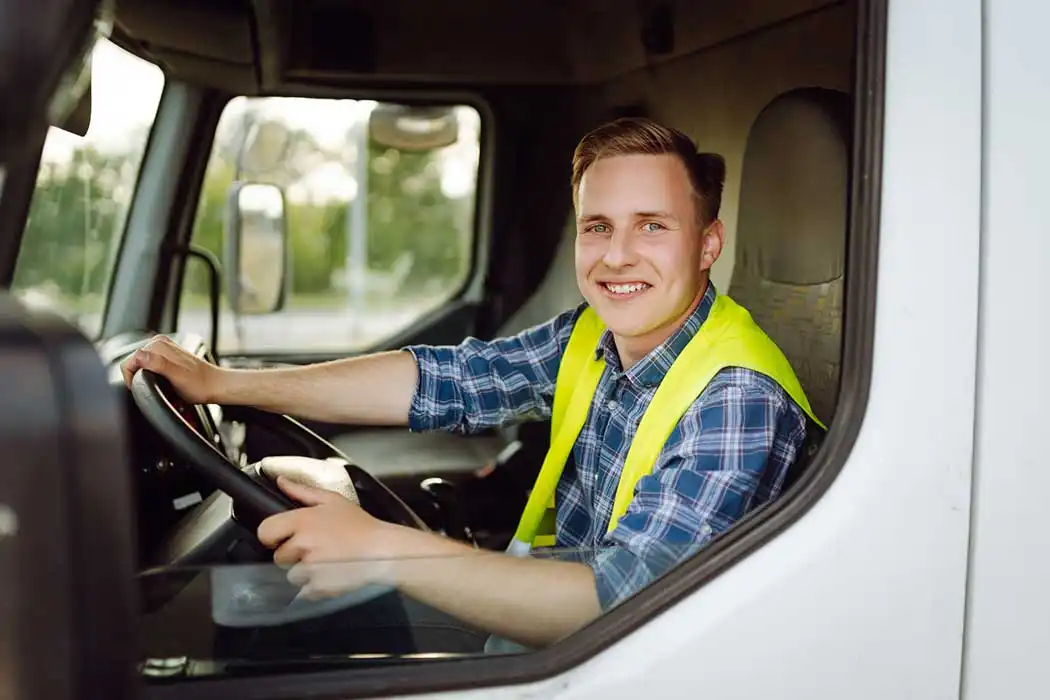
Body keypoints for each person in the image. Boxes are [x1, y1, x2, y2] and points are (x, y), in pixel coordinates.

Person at [122, 117, 822, 655]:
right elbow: (444, 381)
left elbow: (618, 604)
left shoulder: (737, 397)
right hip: (553, 634)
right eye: (598, 227)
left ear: (707, 245)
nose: (615, 256)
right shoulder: (595, 334)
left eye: (652, 227)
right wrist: (225, 383)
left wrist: (376, 548)